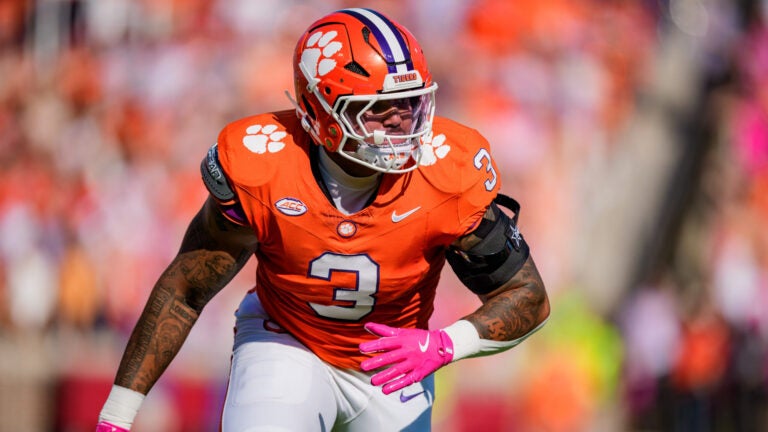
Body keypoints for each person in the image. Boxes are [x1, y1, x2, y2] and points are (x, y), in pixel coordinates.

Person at [96, 7, 550, 432]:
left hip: (395, 359)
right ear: (318, 111)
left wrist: (445, 344)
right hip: (287, 340)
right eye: (377, 108)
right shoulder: (264, 167)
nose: (402, 122)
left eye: (410, 102)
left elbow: (526, 296)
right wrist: (117, 415)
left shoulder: (447, 171)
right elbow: (185, 290)